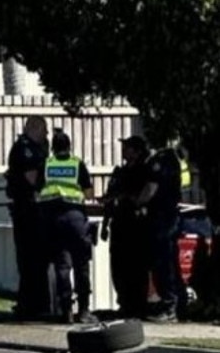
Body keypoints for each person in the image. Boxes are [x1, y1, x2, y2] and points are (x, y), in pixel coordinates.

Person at [37, 130, 97, 324]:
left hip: (53, 220)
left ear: (53, 148)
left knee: (62, 266)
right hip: (75, 219)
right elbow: (88, 194)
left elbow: (38, 189)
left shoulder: (46, 165)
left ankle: (66, 311)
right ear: (69, 146)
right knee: (81, 265)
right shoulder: (77, 164)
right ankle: (85, 311)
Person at [137, 144, 191, 322]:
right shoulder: (174, 160)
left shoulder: (159, 161)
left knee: (163, 262)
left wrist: (138, 202)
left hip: (161, 218)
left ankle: (169, 307)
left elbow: (151, 188)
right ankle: (179, 304)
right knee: (171, 262)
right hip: (171, 215)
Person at [4, 115, 50, 320]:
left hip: (34, 210)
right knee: (29, 258)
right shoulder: (25, 148)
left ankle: (36, 302)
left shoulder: (38, 148)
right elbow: (32, 179)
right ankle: (30, 304)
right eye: (44, 130)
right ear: (34, 128)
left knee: (37, 258)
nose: (46, 135)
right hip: (26, 210)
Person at [100, 135, 150, 319]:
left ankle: (138, 304)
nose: (124, 150)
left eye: (128, 147)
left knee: (135, 266)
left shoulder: (142, 171)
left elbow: (140, 197)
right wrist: (105, 224)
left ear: (137, 151)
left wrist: (125, 197)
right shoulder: (119, 172)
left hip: (135, 226)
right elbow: (110, 199)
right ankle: (124, 302)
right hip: (119, 224)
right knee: (118, 266)